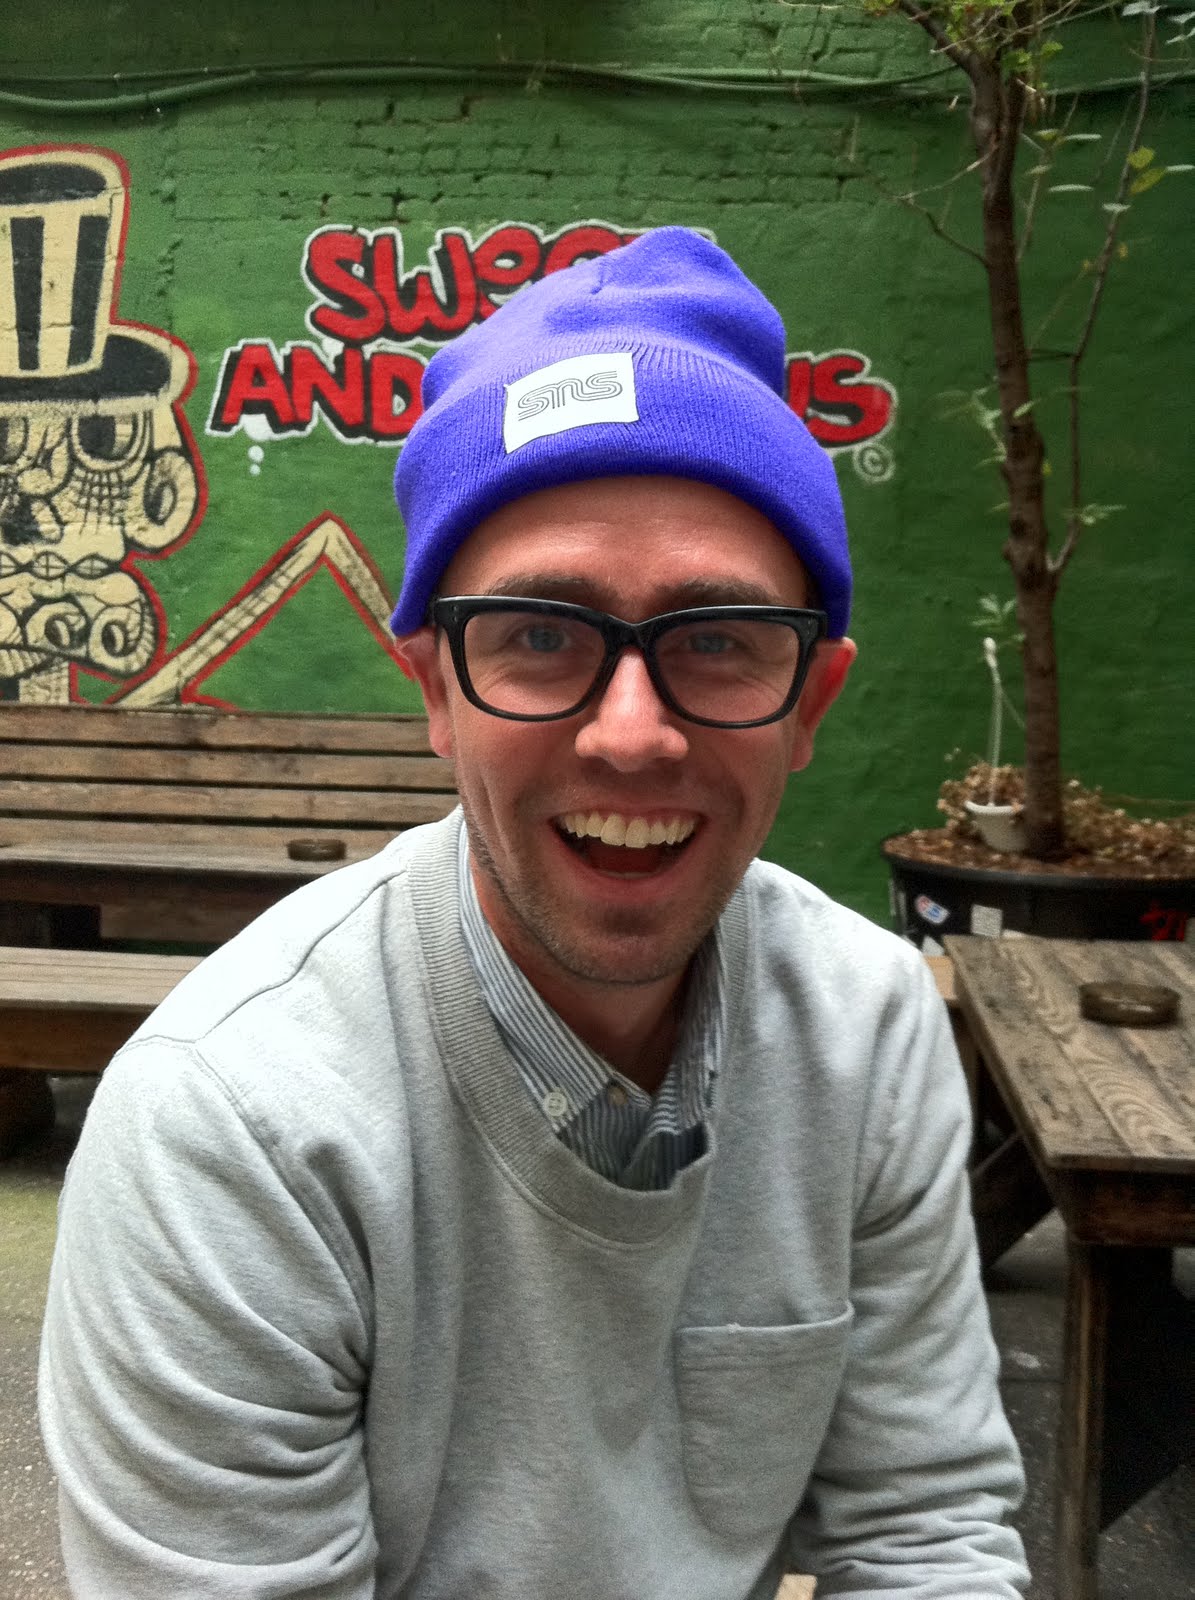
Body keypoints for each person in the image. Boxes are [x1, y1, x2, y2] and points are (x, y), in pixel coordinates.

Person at [39, 228, 1029, 1599]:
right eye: (542, 636)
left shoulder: (868, 1031)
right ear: (436, 692)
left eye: (717, 641)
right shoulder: (233, 1129)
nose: (632, 735)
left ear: (811, 702)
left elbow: (922, 1532)